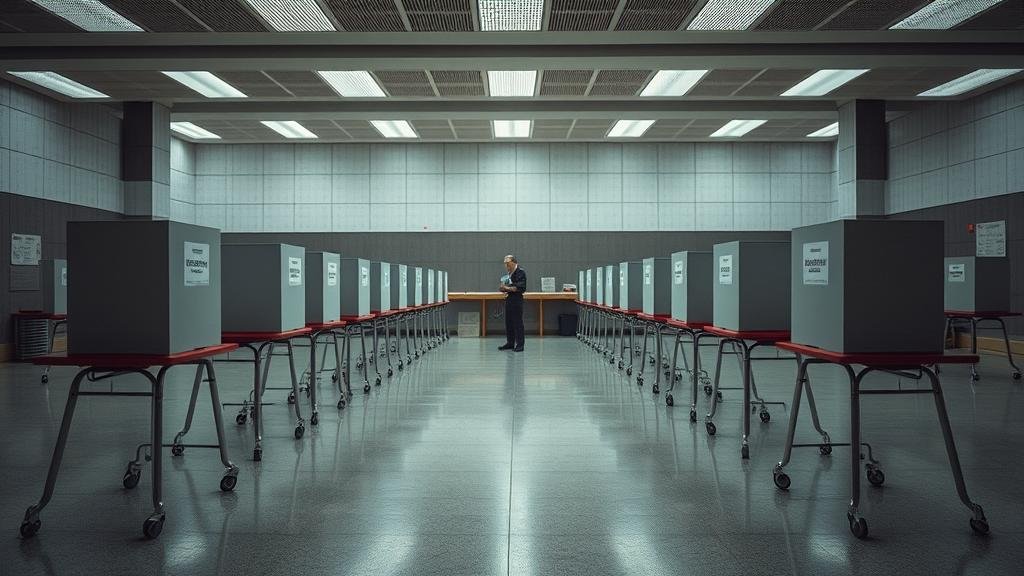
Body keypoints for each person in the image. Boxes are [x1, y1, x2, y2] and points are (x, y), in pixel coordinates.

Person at [498, 254, 526, 352]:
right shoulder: (508, 274)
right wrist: (503, 288)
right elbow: (506, 287)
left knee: (517, 322)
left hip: (517, 300)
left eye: (508, 264)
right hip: (509, 299)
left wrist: (508, 288)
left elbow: (521, 287)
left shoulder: (520, 272)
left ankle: (520, 345)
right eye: (505, 264)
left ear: (514, 262)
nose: (507, 266)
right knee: (508, 322)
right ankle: (510, 342)